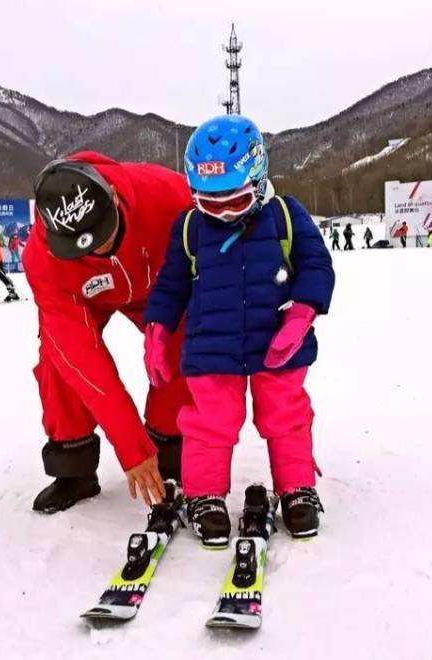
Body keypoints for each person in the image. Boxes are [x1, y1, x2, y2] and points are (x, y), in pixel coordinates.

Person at [144, 115, 335, 546]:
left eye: (235, 199)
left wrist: (303, 313)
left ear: (259, 178)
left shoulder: (287, 215)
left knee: (286, 416)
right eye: (211, 203)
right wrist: (156, 332)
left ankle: (297, 487)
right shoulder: (191, 228)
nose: (225, 212)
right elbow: (171, 285)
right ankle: (205, 496)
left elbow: (317, 266)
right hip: (212, 346)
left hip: (278, 343)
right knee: (211, 422)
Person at [22, 153, 193, 513]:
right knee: (60, 362)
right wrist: (130, 445)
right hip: (85, 297)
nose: (99, 249)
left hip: (159, 286)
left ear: (114, 196)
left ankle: (169, 446)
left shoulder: (169, 193)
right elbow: (82, 358)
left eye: (103, 233)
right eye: (82, 245)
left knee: (184, 343)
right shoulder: (42, 259)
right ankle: (74, 467)